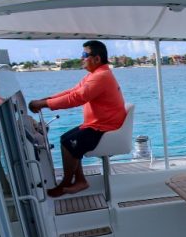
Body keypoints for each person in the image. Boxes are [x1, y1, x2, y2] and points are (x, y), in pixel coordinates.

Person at [28, 40, 126, 197]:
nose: (82, 58)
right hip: (97, 124)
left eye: (84, 55)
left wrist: (44, 103)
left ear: (96, 59)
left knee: (69, 143)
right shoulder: (95, 75)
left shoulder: (101, 77)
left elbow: (76, 98)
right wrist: (45, 100)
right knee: (65, 138)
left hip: (104, 127)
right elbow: (73, 91)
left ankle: (66, 183)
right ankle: (80, 180)